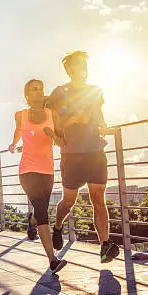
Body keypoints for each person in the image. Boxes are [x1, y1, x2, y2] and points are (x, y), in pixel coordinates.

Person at [46, 51, 120, 263]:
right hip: (72, 154)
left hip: (95, 150)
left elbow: (99, 116)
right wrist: (69, 124)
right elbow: (54, 120)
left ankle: (105, 246)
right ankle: (58, 226)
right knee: (69, 201)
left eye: (84, 64)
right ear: (69, 69)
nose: (83, 68)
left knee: (98, 198)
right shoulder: (60, 92)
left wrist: (105, 127)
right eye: (78, 64)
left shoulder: (96, 90)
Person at [9, 79, 67, 274]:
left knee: (40, 208)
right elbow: (18, 131)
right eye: (33, 89)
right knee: (42, 210)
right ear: (27, 95)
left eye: (41, 89)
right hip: (27, 170)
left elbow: (61, 142)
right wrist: (13, 143)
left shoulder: (52, 115)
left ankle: (32, 220)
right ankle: (52, 260)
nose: (38, 92)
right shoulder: (20, 115)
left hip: (47, 170)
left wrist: (52, 135)